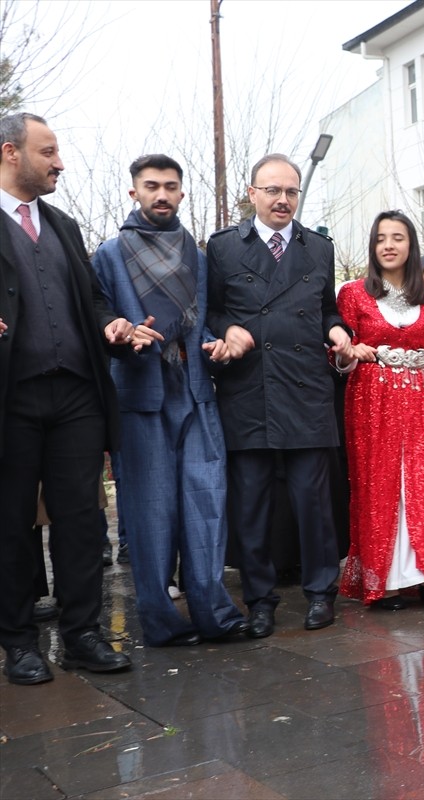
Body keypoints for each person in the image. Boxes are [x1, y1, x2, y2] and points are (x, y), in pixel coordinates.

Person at [0, 112, 156, 684]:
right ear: (10, 152)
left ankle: (83, 633)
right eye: (48, 152)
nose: (59, 163)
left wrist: (113, 325)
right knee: (11, 523)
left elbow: (92, 301)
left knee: (82, 520)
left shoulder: (63, 225)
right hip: (11, 400)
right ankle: (17, 641)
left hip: (77, 397)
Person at [91, 154, 247, 646]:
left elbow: (213, 314)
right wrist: (113, 327)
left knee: (207, 503)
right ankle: (160, 623)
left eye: (171, 186)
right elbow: (95, 308)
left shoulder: (199, 257)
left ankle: (213, 613)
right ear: (133, 192)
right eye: (152, 186)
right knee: (150, 511)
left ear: (182, 193)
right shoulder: (109, 254)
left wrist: (226, 336)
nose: (162, 194)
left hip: (196, 391)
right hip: (140, 395)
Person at [206, 153, 352, 637]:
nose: (283, 199)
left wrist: (338, 332)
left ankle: (320, 593)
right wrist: (228, 329)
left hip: (306, 390)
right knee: (251, 508)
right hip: (248, 391)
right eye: (272, 190)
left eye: (291, 191)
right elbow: (209, 312)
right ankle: (260, 599)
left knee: (314, 505)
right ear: (252, 195)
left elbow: (327, 309)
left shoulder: (319, 248)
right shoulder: (223, 248)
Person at [335, 210, 424, 607]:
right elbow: (340, 352)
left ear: (411, 246)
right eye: (381, 238)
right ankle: (385, 577)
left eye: (398, 237)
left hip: (420, 398)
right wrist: (348, 352)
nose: (389, 245)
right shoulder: (354, 293)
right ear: (372, 247)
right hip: (373, 398)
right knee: (382, 483)